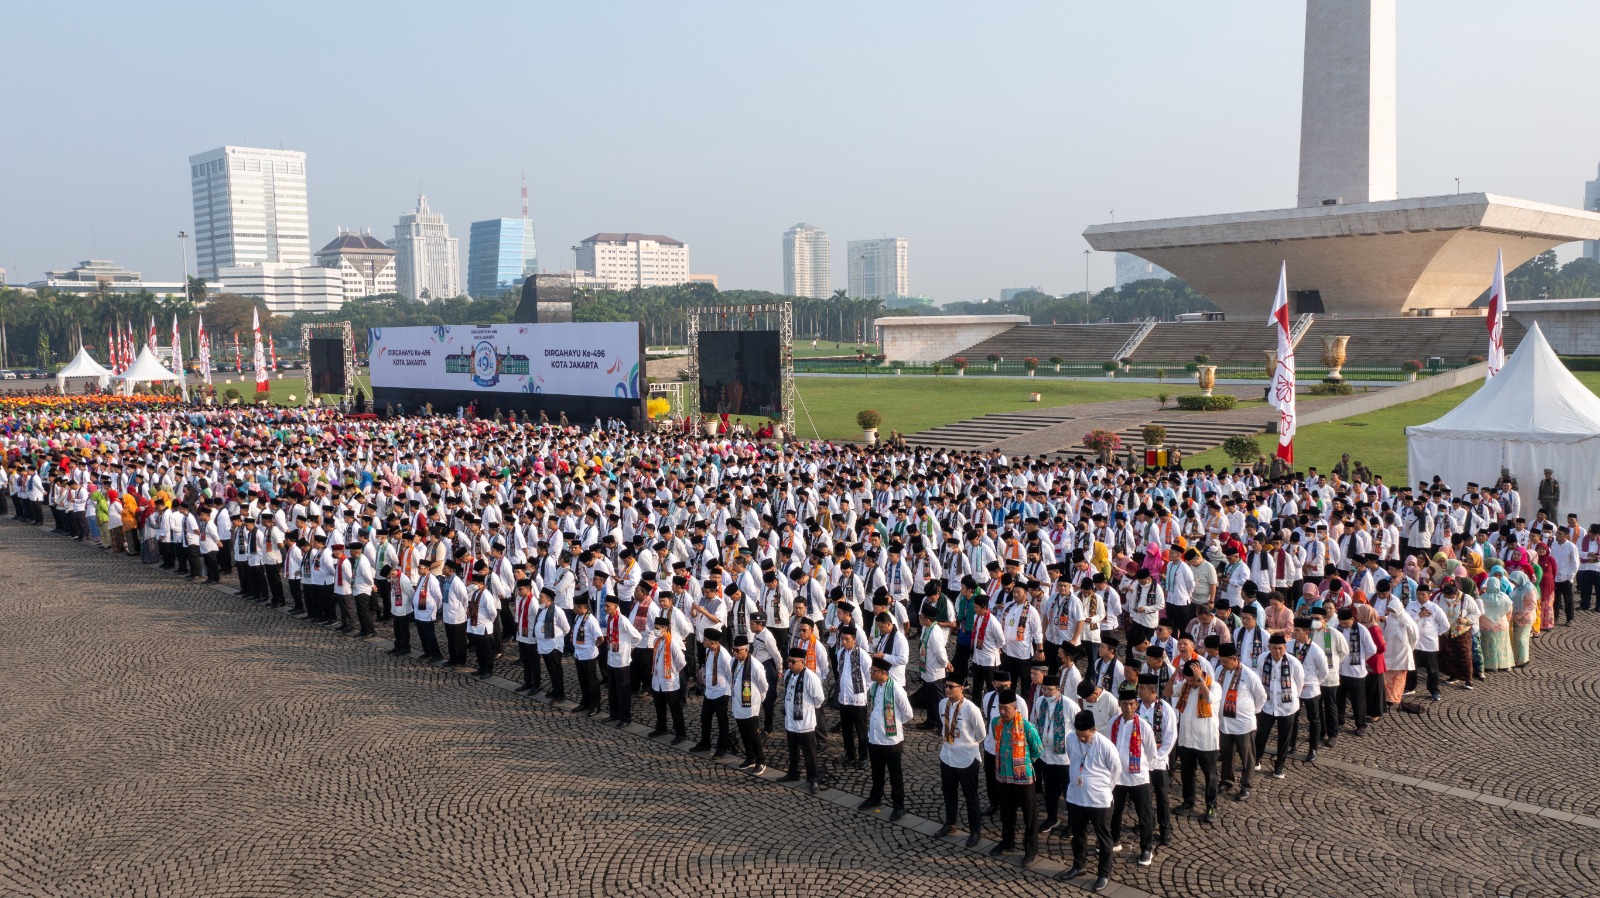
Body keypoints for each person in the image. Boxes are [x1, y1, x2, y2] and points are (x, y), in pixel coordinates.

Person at [1064, 708, 1122, 892]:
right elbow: (1071, 759)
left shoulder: (1105, 745)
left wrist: (1103, 789)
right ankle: (1078, 865)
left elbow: (1116, 771)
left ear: (1094, 730)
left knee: (1103, 838)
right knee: (1078, 834)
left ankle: (1103, 874)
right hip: (1075, 796)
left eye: (1084, 736)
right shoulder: (1071, 738)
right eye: (1078, 734)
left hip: (1099, 800)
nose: (1081, 738)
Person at [988, 689, 1043, 866]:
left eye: (1006, 709)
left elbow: (1038, 750)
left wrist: (1023, 764)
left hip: (1023, 779)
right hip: (1003, 776)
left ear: (1015, 707)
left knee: (1029, 815)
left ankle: (1031, 849)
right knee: (1006, 811)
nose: (1002, 712)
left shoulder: (1027, 727)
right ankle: (1007, 841)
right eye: (1000, 708)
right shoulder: (995, 723)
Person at [1107, 683, 1156, 868]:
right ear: (1119, 704)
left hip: (1138, 778)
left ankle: (1146, 847)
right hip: (1117, 777)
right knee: (1115, 812)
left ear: (1136, 705)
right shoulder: (1114, 722)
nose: (1127, 707)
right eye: (1124, 704)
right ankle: (1115, 840)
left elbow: (1151, 753)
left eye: (1131, 704)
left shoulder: (1144, 726)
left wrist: (1141, 768)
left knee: (1144, 815)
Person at [859, 657, 912, 820]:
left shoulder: (896, 689)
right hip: (874, 738)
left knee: (895, 774)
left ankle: (899, 805)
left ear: (883, 673)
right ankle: (875, 797)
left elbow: (908, 714)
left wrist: (895, 724)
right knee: (877, 771)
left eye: (873, 671)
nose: (870, 673)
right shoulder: (874, 687)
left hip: (891, 741)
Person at [934, 680, 986, 847]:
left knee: (971, 796)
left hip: (966, 758)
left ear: (961, 688)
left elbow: (981, 734)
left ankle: (975, 830)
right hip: (947, 755)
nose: (947, 689)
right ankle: (950, 823)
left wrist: (966, 744)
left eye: (951, 687)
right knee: (949, 793)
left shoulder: (971, 709)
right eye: (946, 686)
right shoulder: (943, 704)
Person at [1174, 653, 1222, 823]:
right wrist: (1176, 674)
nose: (1190, 683)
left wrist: (1199, 679)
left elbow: (1209, 698)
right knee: (1187, 773)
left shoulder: (1214, 686)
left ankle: (1211, 805)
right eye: (1187, 679)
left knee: (1210, 775)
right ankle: (1188, 801)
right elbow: (1166, 691)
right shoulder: (1185, 686)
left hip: (1206, 740)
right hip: (1187, 738)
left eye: (1192, 680)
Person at [1030, 667, 1079, 834]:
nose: (1046, 693)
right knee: (1049, 790)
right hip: (1046, 756)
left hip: (1065, 758)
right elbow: (1034, 722)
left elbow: (1078, 728)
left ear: (1058, 690)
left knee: (1068, 791)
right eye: (1044, 689)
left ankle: (1073, 822)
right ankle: (1052, 818)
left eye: (1050, 690)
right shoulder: (1039, 702)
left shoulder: (1069, 705)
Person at [1135, 673, 1177, 846]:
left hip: (1157, 761)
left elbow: (1170, 736)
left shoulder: (1165, 709)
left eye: (1141, 688)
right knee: (1142, 795)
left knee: (1161, 795)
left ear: (1152, 690)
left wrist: (1157, 757)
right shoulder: (1136, 707)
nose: (1138, 690)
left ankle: (1165, 828)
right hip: (1138, 760)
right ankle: (1146, 823)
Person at [1254, 633, 1304, 778]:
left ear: (1285, 647)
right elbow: (1261, 675)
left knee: (1284, 738)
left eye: (1280, 648)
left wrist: (1291, 697)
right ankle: (1256, 759)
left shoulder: (1294, 662)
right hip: (1268, 704)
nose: (1277, 651)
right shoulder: (1263, 658)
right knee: (1261, 734)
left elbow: (1299, 683)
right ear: (1269, 647)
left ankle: (1279, 766)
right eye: (1274, 648)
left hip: (1287, 706)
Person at [779, 646, 826, 793]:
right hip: (790, 721)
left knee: (809, 753)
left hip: (805, 723)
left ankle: (813, 779)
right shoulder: (788, 674)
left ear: (802, 662)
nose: (790, 664)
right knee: (793, 750)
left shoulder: (810, 677)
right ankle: (793, 773)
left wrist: (808, 709)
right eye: (789, 661)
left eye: (793, 662)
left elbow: (819, 699)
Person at [692, 628, 734, 756]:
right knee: (705, 717)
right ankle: (705, 742)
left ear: (712, 642)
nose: (703, 641)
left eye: (705, 640)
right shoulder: (708, 651)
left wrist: (730, 692)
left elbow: (730, 674)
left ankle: (722, 746)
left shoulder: (724, 655)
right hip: (710, 692)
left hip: (721, 692)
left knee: (722, 720)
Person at [730, 635, 769, 770]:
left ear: (747, 650)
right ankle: (750, 757)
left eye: (738, 650)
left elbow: (764, 685)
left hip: (750, 705)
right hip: (737, 704)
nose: (735, 653)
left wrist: (759, 700)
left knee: (753, 734)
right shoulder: (733, 662)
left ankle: (761, 761)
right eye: (734, 650)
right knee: (744, 733)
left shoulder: (756, 666)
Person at [602, 594, 640, 724]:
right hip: (611, 658)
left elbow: (637, 636)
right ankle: (614, 713)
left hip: (622, 660)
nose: (605, 608)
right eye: (605, 605)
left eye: (608, 606)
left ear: (616, 607)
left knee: (623, 690)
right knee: (612, 689)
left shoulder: (623, 620)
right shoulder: (608, 618)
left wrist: (629, 648)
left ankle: (625, 717)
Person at [650, 615, 688, 743]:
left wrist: (672, 672)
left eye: (658, 628)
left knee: (675, 708)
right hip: (657, 681)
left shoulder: (672, 643)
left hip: (669, 682)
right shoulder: (656, 641)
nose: (655, 630)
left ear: (665, 629)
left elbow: (682, 662)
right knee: (659, 706)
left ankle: (680, 733)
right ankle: (661, 727)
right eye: (655, 628)